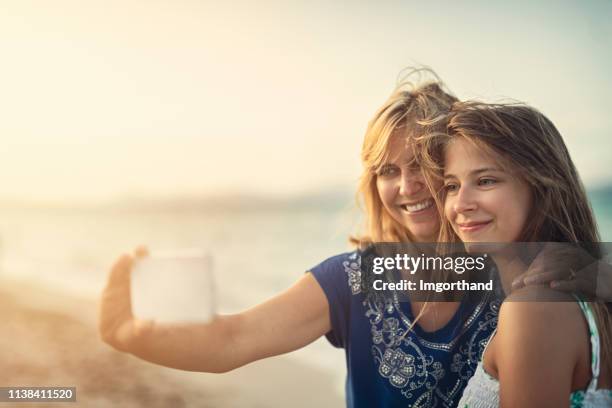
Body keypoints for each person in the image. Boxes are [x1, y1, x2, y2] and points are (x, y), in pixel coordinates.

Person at [98, 70, 501, 407]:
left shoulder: (513, 277)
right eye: (388, 171)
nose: (407, 186)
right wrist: (134, 338)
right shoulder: (351, 280)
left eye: (421, 165)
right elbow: (233, 339)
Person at [418, 101, 612, 406]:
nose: (460, 204)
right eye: (452, 186)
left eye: (485, 181)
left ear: (540, 188)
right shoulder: (584, 298)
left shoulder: (533, 310)